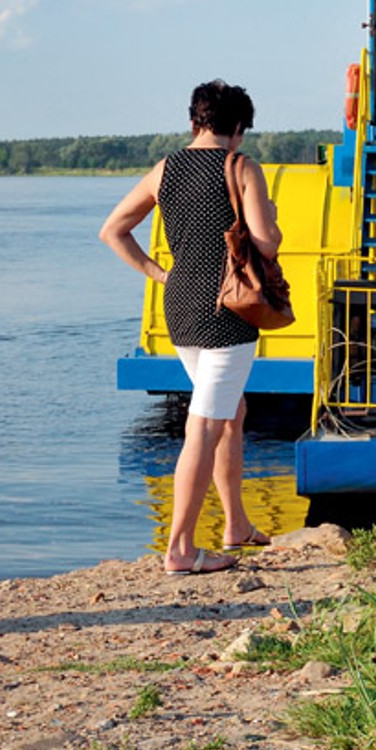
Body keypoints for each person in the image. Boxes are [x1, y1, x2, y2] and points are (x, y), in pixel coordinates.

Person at [100, 80, 283, 575]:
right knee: (204, 422)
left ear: (194, 122)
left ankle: (236, 525)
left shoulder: (166, 168)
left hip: (178, 305)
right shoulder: (242, 167)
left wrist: (157, 272)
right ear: (239, 129)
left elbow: (112, 229)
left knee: (231, 410)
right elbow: (265, 245)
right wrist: (274, 224)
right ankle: (180, 548)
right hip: (227, 309)